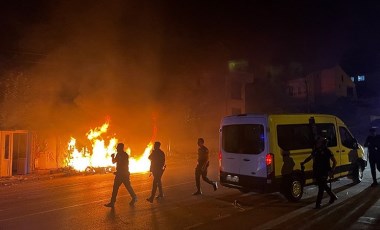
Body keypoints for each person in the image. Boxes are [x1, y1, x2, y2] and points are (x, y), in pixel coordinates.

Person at [301, 136, 338, 209]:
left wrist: (331, 170)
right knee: (324, 185)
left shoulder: (327, 151)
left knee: (321, 188)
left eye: (319, 143)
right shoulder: (316, 151)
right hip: (317, 171)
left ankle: (318, 204)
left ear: (323, 144)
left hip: (324, 171)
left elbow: (334, 161)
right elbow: (310, 157)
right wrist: (304, 162)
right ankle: (333, 196)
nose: (317, 144)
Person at [105, 143, 137, 207]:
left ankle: (134, 197)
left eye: (118, 148)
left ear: (121, 148)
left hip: (124, 174)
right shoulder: (118, 154)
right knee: (115, 188)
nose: (117, 149)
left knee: (127, 187)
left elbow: (124, 165)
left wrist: (119, 172)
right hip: (119, 174)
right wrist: (112, 157)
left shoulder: (125, 155)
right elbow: (114, 162)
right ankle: (112, 202)